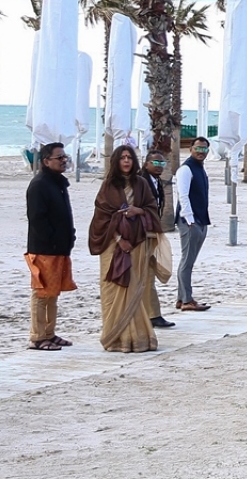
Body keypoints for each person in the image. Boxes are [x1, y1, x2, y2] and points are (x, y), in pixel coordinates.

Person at [88, 145, 162, 352]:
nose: (127, 161)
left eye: (130, 157)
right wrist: (119, 237)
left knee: (134, 289)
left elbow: (152, 210)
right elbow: (101, 218)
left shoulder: (141, 184)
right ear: (116, 161)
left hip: (137, 244)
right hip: (112, 245)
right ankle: (115, 338)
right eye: (123, 158)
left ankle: (138, 338)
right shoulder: (108, 186)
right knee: (114, 289)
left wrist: (137, 210)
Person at [24, 142, 78, 351]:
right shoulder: (39, 184)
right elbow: (37, 219)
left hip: (60, 247)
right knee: (42, 292)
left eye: (65, 157)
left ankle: (49, 332)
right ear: (46, 161)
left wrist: (69, 238)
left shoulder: (59, 183)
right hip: (44, 248)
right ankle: (38, 336)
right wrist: (54, 241)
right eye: (59, 158)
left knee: (53, 292)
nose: (64, 161)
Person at [173, 137, 212, 312]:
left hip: (201, 220)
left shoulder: (200, 169)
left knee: (188, 261)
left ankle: (182, 299)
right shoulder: (185, 169)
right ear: (190, 149)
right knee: (186, 261)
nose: (200, 152)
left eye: (204, 149)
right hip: (190, 222)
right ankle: (187, 300)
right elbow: (183, 196)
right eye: (198, 148)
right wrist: (189, 220)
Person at [143, 150, 175, 328]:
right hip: (143, 235)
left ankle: (152, 313)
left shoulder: (157, 182)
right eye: (155, 162)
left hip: (153, 233)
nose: (159, 166)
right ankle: (153, 314)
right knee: (147, 275)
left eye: (162, 163)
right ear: (146, 163)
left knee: (150, 274)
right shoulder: (142, 182)